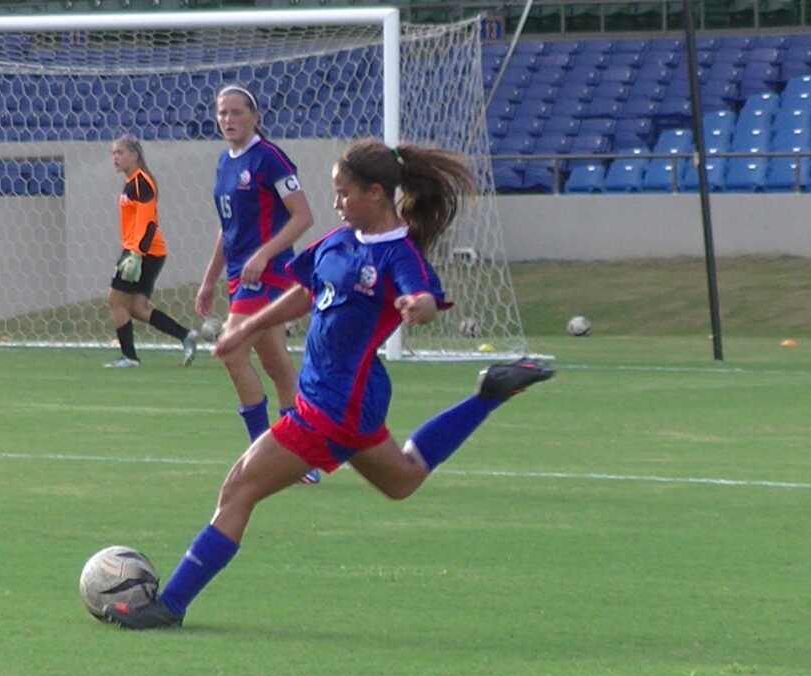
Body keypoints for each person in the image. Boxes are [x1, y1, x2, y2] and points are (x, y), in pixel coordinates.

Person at [104, 138, 554, 630]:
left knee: (237, 490)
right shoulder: (340, 240)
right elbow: (304, 292)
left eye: (344, 193)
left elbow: (421, 297)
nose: (336, 203)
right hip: (346, 398)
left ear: (376, 194)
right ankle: (488, 395)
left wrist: (418, 307)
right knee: (402, 479)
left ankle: (169, 606)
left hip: (333, 407)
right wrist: (247, 328)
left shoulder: (398, 254)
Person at [196, 85, 320, 482]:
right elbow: (228, 228)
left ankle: (263, 453)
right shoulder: (224, 162)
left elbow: (302, 216)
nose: (228, 119)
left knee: (230, 351)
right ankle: (303, 455)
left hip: (270, 273)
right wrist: (209, 280)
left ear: (254, 116)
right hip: (241, 276)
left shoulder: (269, 158)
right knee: (275, 364)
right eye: (222, 113)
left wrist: (264, 254)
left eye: (236, 112)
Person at [104, 134, 197, 368]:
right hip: (148, 252)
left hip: (142, 252)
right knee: (137, 307)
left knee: (114, 300)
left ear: (134, 155)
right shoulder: (132, 181)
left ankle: (129, 357)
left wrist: (136, 255)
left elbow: (148, 223)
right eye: (113, 153)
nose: (115, 157)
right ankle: (185, 335)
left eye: (120, 152)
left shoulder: (141, 182)